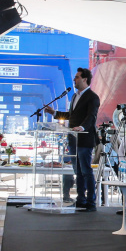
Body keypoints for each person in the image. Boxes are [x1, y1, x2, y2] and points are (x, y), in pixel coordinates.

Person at [44, 67, 100, 211]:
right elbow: (72, 116)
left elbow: (91, 117)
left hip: (84, 138)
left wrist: (82, 128)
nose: (74, 80)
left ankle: (91, 201)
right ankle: (80, 198)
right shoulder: (75, 96)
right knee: (78, 170)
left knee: (86, 170)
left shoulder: (93, 97)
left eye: (77, 77)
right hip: (73, 139)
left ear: (84, 79)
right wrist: (55, 113)